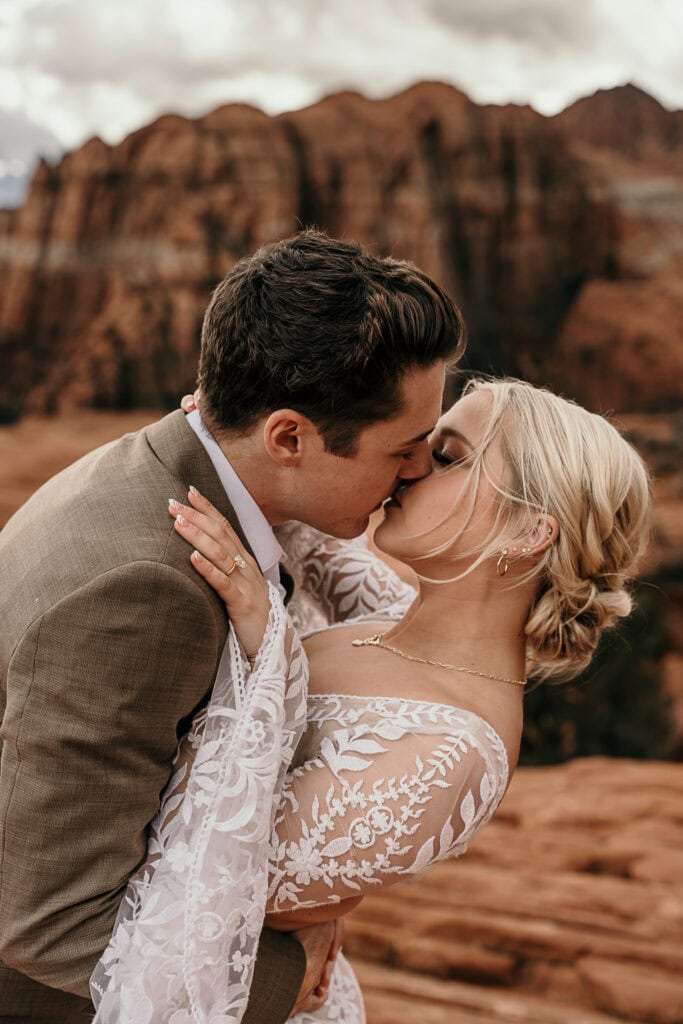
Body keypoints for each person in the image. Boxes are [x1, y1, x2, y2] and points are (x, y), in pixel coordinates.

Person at [0, 229, 465, 1023]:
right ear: (287, 437)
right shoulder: (149, 592)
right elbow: (46, 927)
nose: (417, 470)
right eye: (405, 448)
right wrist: (289, 975)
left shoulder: (192, 463)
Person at [92, 378, 651, 1022]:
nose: (410, 466)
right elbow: (309, 515)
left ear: (528, 531)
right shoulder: (389, 612)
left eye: (446, 456)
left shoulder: (450, 752)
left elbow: (193, 891)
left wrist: (267, 657)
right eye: (413, 446)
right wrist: (234, 431)